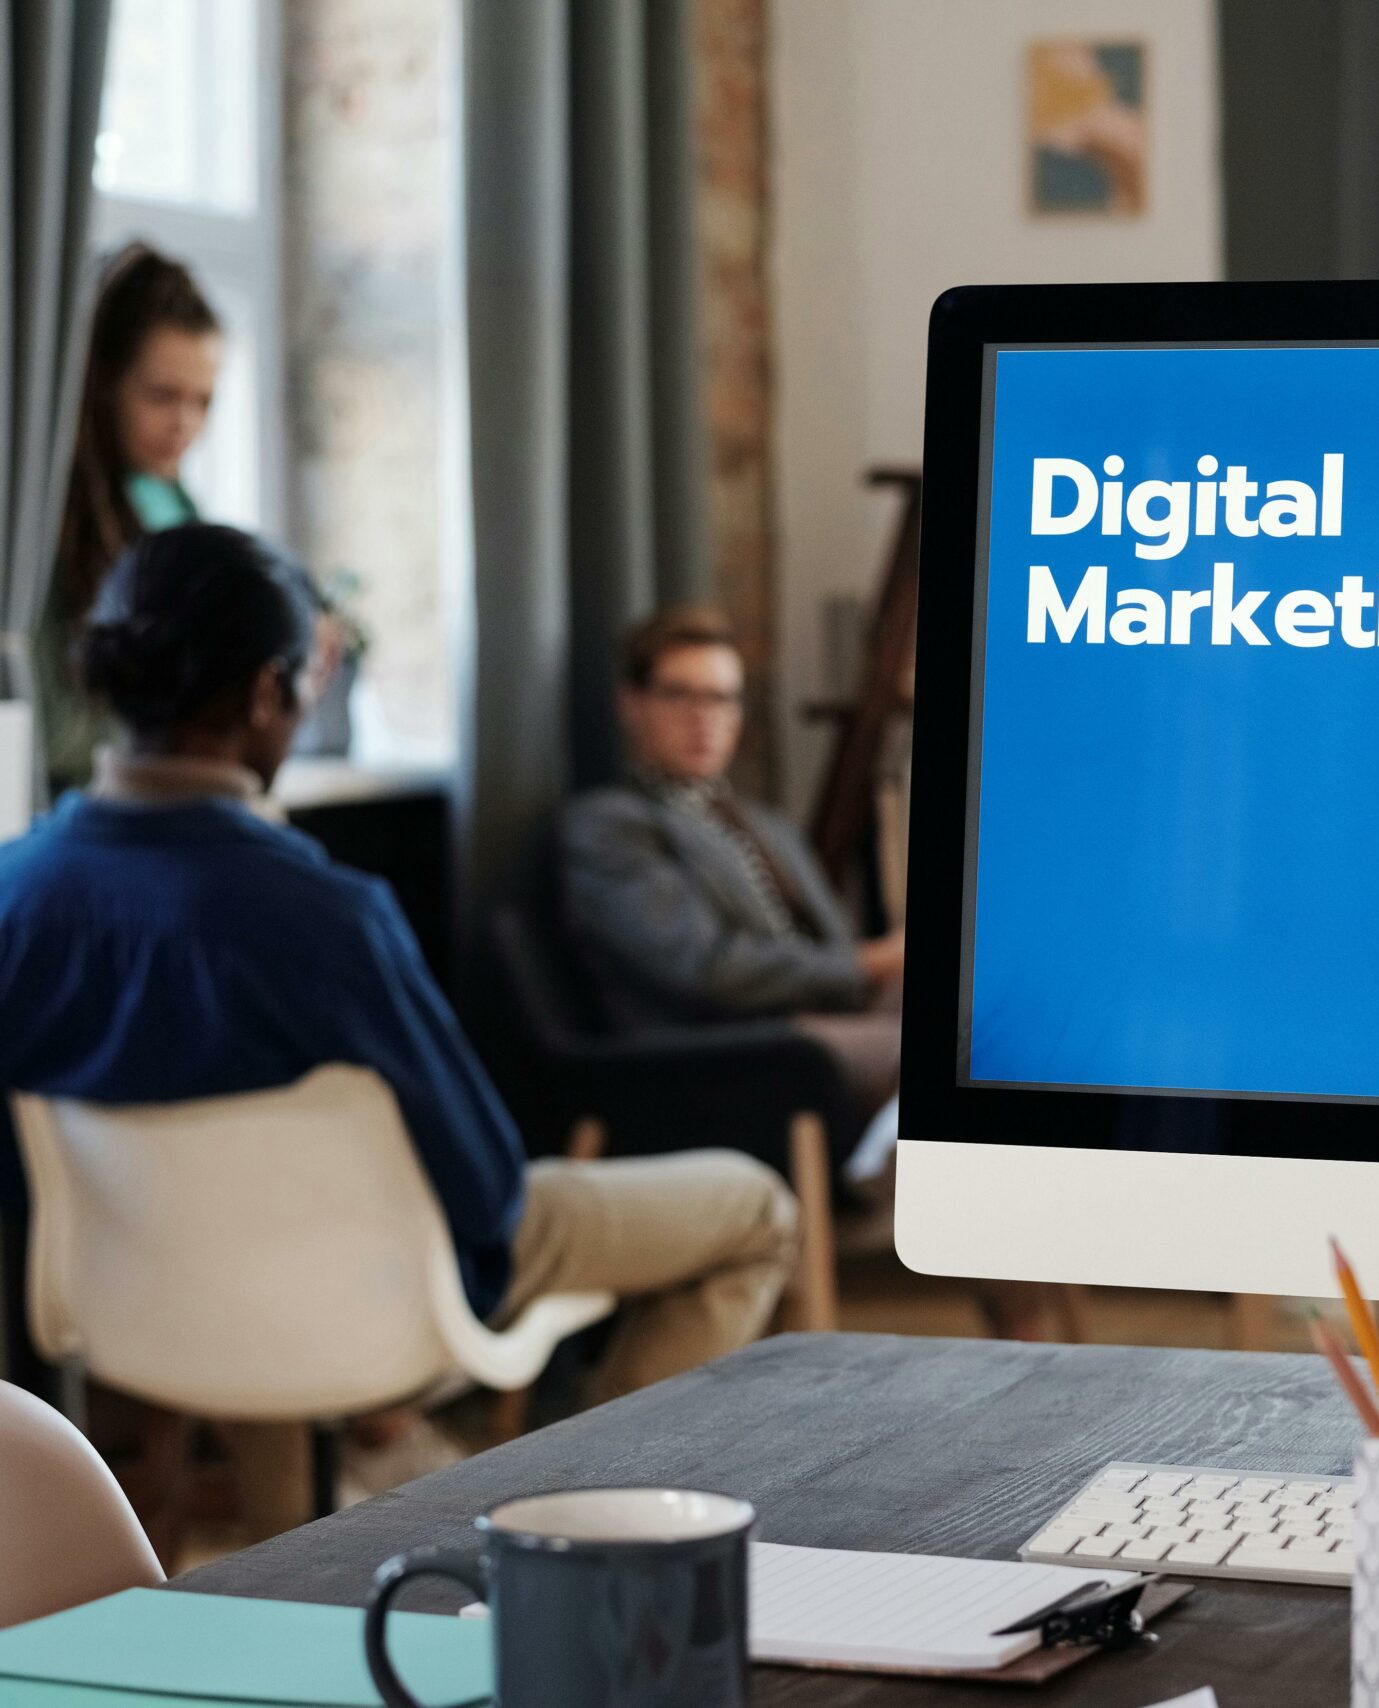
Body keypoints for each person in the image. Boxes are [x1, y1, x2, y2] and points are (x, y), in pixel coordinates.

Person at [0, 525, 798, 1404]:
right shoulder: (322, 917)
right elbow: (484, 1184)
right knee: (755, 1211)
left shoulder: (14, 894)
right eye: (311, 681)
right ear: (270, 692)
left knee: (269, 1244)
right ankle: (599, 1511)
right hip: (364, 1295)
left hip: (138, 1302)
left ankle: (308, 1515)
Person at [557, 606, 903, 1110]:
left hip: (828, 1007)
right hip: (730, 1042)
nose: (704, 717)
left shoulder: (767, 825)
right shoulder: (612, 825)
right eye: (679, 695)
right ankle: (902, 1184)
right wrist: (867, 963)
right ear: (632, 705)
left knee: (992, 1014)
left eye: (721, 699)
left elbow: (830, 941)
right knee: (941, 1057)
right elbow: (705, 969)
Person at [40, 245, 224, 792]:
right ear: (101, 383)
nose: (184, 426)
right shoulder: (44, 523)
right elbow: (54, 728)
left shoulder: (173, 504)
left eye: (203, 402)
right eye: (162, 396)